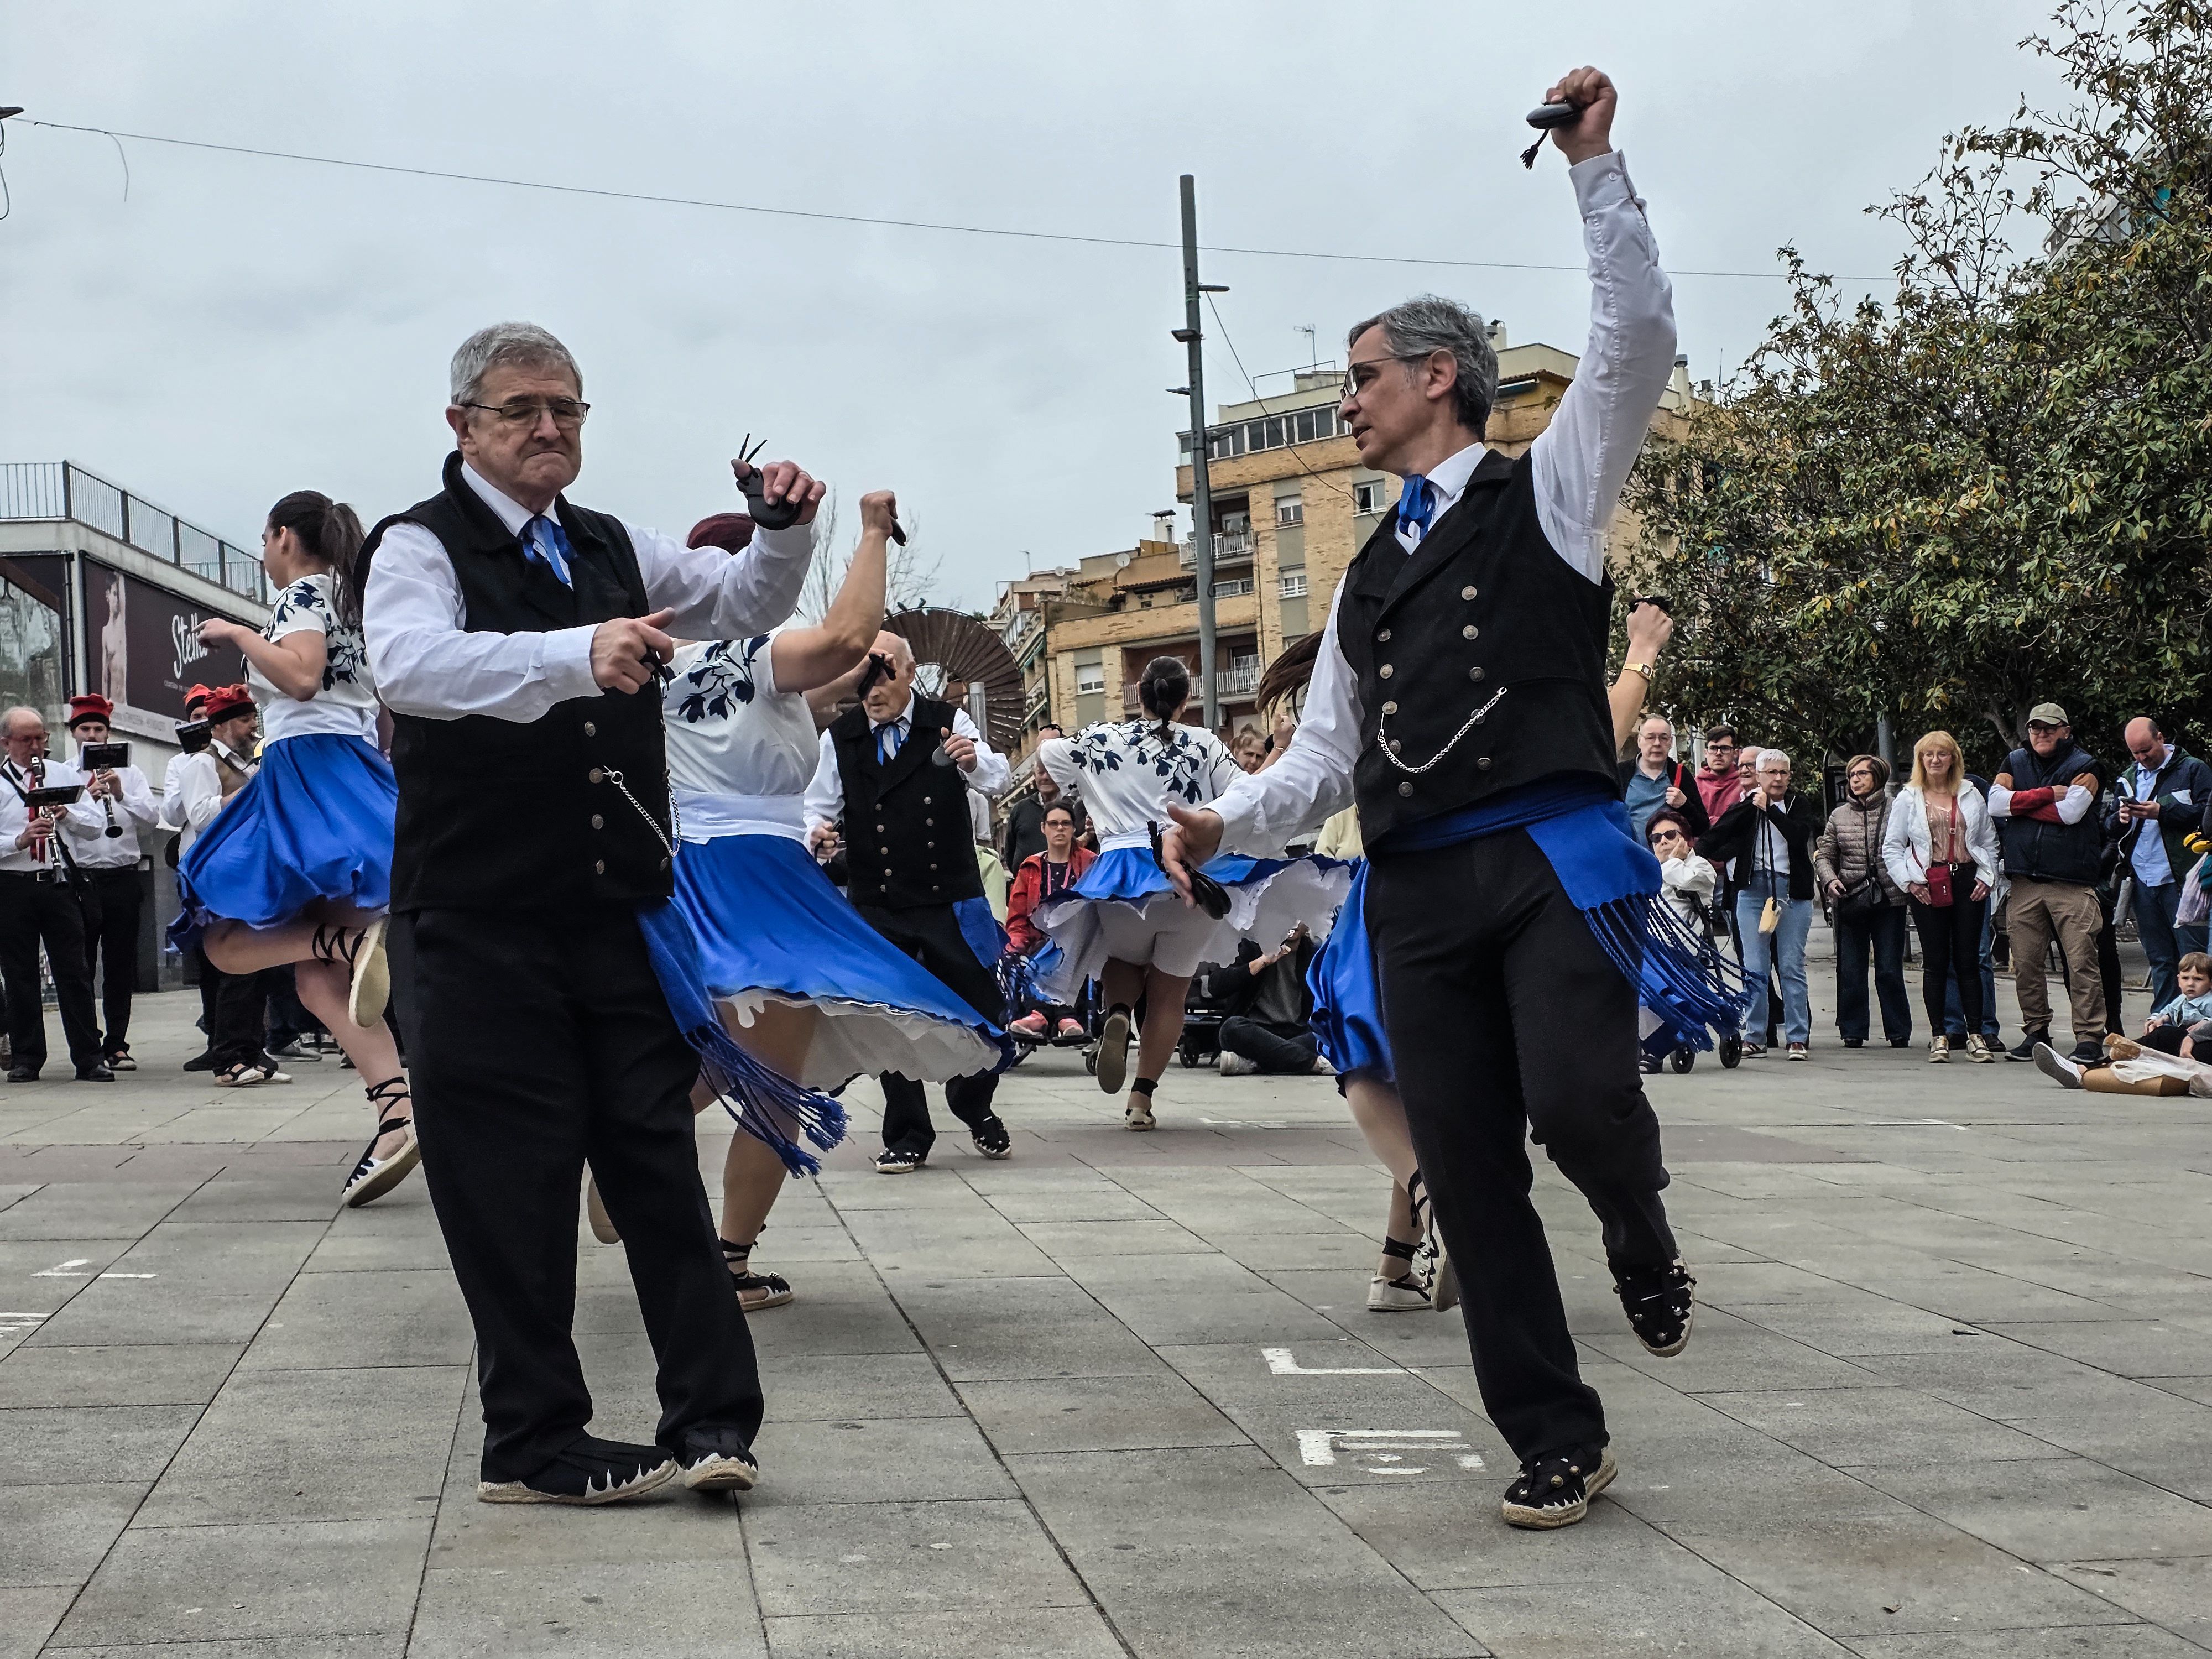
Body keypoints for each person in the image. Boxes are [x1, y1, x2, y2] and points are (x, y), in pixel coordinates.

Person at [1162, 71, 1706, 1530]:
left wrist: (1596, 167)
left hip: (1550, 857)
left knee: (1585, 1103)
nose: (1345, 400)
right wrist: (1229, 823)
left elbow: (1639, 336)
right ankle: (1555, 1432)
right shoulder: (1362, 578)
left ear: (1437, 380)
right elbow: (1326, 762)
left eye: (1361, 377)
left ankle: (1638, 1223)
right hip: (1415, 889)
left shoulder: (1552, 491)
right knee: (1464, 1170)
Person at [362, 320, 824, 1505]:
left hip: (613, 911)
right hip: (473, 916)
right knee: (508, 1184)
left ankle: (714, 1421)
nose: (550, 428)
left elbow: (735, 604)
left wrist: (784, 529)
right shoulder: (418, 545)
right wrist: (577, 652)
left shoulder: (610, 542)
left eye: (566, 408)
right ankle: (531, 1443)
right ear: (462, 423)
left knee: (651, 1154)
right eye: (522, 410)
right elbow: (410, 666)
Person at [617, 495, 1001, 1311]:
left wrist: (861, 673)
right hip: (755, 872)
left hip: (688, 868)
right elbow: (849, 642)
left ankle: (622, 1142)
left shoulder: (657, 663)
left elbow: (838, 676)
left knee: (732, 1057)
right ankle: (720, 1254)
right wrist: (870, 532)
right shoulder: (746, 653)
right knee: (769, 1078)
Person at [179, 493, 411, 1199]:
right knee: (316, 982)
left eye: (264, 536)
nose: (262, 550)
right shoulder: (358, 603)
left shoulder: (301, 596)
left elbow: (302, 677)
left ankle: (351, 949)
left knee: (217, 927)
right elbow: (390, 711)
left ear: (284, 537)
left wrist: (241, 635)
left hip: (306, 771)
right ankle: (398, 1116)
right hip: (354, 768)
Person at [1036, 656, 1348, 1128]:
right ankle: (1141, 1099)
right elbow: (1252, 795)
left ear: (1139, 694)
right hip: (1192, 874)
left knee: (1123, 961)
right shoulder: (1205, 745)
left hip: (1124, 874)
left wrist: (1048, 742)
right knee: (1170, 994)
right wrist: (1280, 749)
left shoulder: (1100, 739)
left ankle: (1119, 1011)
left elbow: (1049, 758)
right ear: (1185, 701)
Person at [803, 630, 1015, 1174]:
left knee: (984, 1014)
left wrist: (971, 760)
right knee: (891, 1017)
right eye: (864, 679)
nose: (872, 691)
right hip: (879, 900)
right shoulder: (841, 738)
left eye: (884, 676)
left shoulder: (946, 720)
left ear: (909, 670)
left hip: (949, 896)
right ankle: (907, 1132)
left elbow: (998, 776)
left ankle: (973, 1103)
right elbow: (815, 807)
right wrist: (817, 833)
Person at [1987, 704, 2107, 1064]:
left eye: (2050, 729)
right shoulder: (2014, 762)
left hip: (2071, 882)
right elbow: (1995, 804)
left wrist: (2018, 806)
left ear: (2066, 731)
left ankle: (2089, 1039)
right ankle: (2036, 1034)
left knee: (2082, 962)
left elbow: (2072, 813)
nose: (2042, 734)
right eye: (2036, 728)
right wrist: (2047, 795)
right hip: (2024, 881)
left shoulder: (2086, 766)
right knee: (2025, 963)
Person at [0, 707, 110, 1082]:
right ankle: (27, 1057)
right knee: (19, 973)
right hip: (12, 885)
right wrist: (19, 840)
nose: (36, 747)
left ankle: (89, 1056)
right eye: (26, 740)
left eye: (41, 738)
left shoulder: (63, 775)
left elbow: (95, 827)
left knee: (74, 971)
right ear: (6, 743)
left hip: (58, 883)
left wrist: (68, 815)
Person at [1882, 730, 2000, 1062]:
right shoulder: (1909, 797)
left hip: (1967, 879)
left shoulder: (1970, 794)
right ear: (1920, 760)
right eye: (1928, 755)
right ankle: (1940, 1035)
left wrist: (1987, 877)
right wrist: (1909, 883)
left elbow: (1988, 841)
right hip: (1929, 880)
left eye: (1942, 754)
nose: (1935, 760)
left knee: (1969, 961)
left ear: (1953, 759)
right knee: (1935, 962)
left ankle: (1977, 1034)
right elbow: (1892, 847)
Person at [1700, 748, 1822, 1059]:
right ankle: (1755, 1036)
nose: (1778, 778)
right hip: (1753, 890)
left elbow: (1798, 837)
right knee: (1753, 968)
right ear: (1759, 775)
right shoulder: (1747, 804)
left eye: (1783, 773)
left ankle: (1797, 1037)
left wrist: (1772, 810)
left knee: (1791, 965)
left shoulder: (1798, 804)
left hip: (1791, 892)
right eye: (1772, 773)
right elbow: (1719, 834)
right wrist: (1689, 854)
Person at [64, 695, 161, 1071]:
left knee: (121, 966)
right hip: (82, 880)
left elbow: (152, 819)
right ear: (73, 734)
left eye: (98, 730)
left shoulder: (132, 773)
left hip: (123, 878)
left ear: (108, 735)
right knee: (81, 966)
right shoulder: (62, 774)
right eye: (85, 729)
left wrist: (120, 793)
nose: (92, 735)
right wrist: (86, 799)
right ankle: (87, 1045)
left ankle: (117, 1043)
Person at [2110, 718, 2212, 1010]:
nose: (2142, 758)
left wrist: (2163, 812)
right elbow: (2106, 826)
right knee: (2159, 958)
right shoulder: (2128, 777)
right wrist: (2119, 819)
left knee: (2194, 960)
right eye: (2135, 753)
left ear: (2161, 739)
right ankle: (2164, 1020)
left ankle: (2198, 1023)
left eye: (2146, 750)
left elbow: (2206, 816)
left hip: (2181, 879)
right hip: (2143, 879)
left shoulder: (2193, 769)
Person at [1815, 753, 1912, 1050]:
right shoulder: (1838, 815)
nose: (1855, 780)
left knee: (1889, 969)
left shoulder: (1898, 810)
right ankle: (1852, 1030)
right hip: (1851, 899)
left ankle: (1898, 1031)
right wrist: (1830, 879)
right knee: (1851, 969)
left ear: (1878, 777)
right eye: (1852, 775)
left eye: (1862, 774)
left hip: (1890, 900)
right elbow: (1824, 853)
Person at [1005, 800, 1093, 1042]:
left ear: (1074, 828)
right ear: (1043, 828)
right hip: (1039, 941)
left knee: (1071, 950)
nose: (1060, 829)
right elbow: (1018, 915)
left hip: (1080, 940)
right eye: (1054, 824)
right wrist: (1015, 944)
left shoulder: (1090, 863)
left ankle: (1064, 1015)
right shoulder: (1030, 867)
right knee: (1037, 955)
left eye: (1066, 823)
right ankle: (1041, 1014)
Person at [1209, 924, 1326, 1076]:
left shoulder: (1314, 953)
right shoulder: (1252, 946)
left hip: (1297, 1032)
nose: (1295, 922)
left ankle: (1254, 1064)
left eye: (1301, 915)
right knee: (1231, 1028)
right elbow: (1216, 986)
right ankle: (1315, 1064)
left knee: (1330, 1033)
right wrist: (1261, 962)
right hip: (1257, 1032)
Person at [1001, 727, 1084, 869]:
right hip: (1027, 886)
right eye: (1041, 772)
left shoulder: (1077, 806)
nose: (1045, 777)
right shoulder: (1020, 809)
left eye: (1050, 772)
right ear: (1034, 775)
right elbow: (1010, 853)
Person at [1619, 715, 1709, 843]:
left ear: (1671, 742)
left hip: (1673, 860)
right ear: (1639, 741)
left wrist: (1684, 805)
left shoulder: (1680, 774)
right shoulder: (1621, 774)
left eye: (1663, 738)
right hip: (1632, 858)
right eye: (1651, 737)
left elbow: (1703, 827)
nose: (1657, 743)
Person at [1695, 724, 1745, 821]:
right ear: (1706, 753)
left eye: (1725, 748)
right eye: (1713, 748)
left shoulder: (1744, 784)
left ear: (1735, 753)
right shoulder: (1694, 785)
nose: (1718, 753)